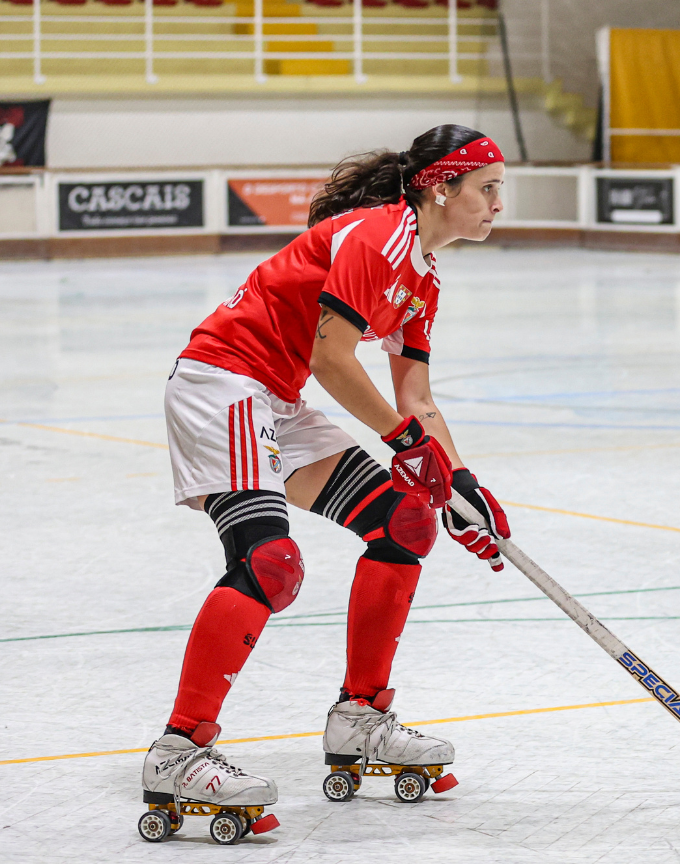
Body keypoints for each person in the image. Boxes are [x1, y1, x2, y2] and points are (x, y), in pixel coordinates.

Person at [141, 124, 512, 815]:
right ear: (440, 186)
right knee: (270, 563)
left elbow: (416, 400)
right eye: (487, 189)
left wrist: (462, 484)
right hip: (221, 381)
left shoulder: (423, 278)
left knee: (405, 521)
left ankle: (360, 717)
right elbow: (332, 359)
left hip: (273, 397)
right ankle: (179, 751)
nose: (498, 205)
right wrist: (406, 444)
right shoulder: (378, 236)